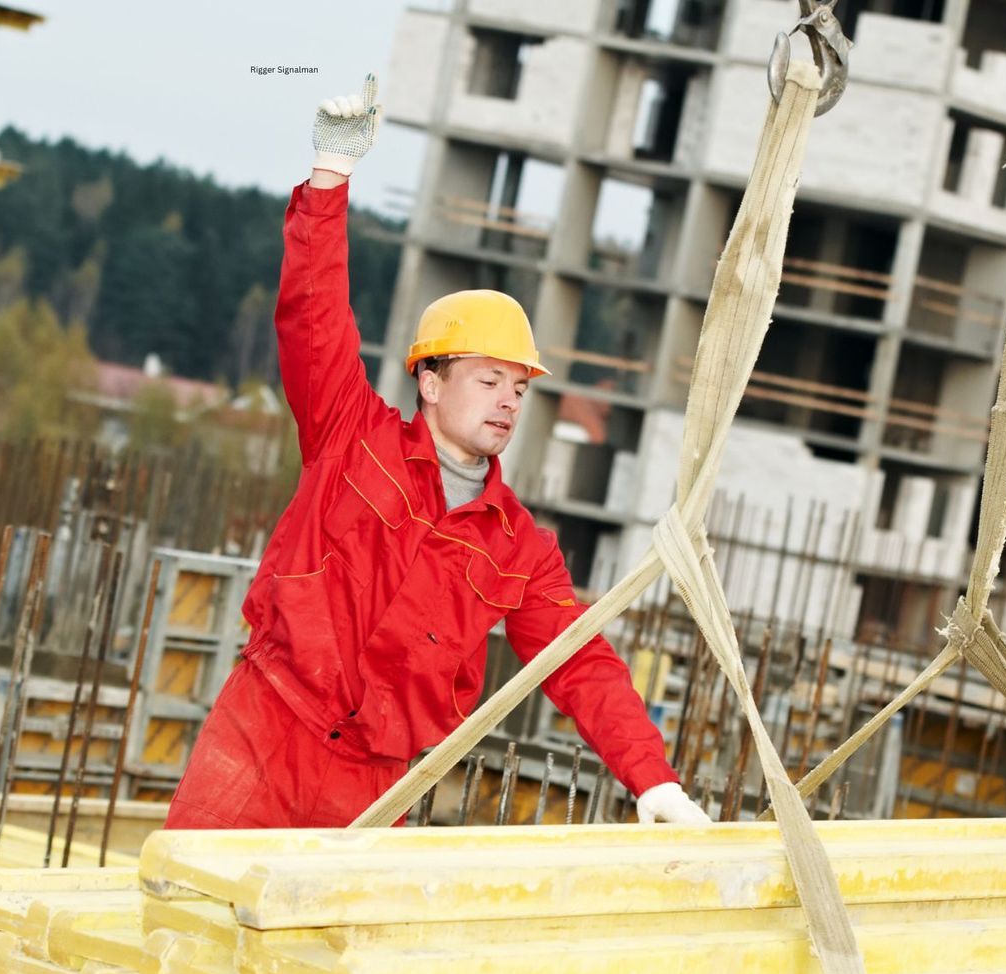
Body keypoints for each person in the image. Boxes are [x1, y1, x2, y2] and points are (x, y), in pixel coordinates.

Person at [163, 78, 708, 830]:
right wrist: (329, 177)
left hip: (371, 791)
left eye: (519, 387)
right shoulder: (352, 437)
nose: (509, 401)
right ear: (428, 379)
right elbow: (313, 316)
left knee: (315, 950)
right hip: (262, 738)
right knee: (185, 921)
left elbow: (579, 663)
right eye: (489, 380)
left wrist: (653, 782)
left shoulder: (520, 547)